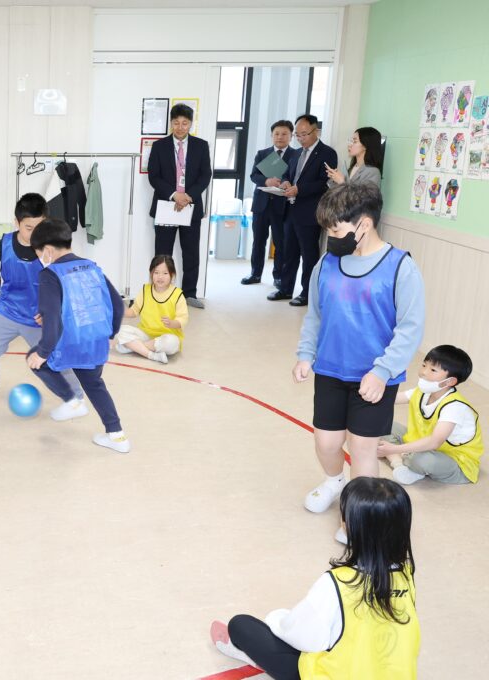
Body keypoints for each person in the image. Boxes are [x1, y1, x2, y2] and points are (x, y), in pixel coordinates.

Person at [292, 183, 424, 542]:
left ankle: (357, 519)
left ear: (363, 224)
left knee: (364, 450)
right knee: (327, 444)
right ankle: (335, 481)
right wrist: (306, 353)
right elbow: (315, 316)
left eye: (336, 230)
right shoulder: (327, 264)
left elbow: (410, 329)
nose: (331, 238)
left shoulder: (401, 267)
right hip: (332, 370)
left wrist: (382, 372)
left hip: (375, 378)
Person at [210, 477, 420, 680]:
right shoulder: (406, 574)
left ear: (350, 526)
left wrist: (278, 619)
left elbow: (304, 638)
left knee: (241, 625)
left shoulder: (338, 582)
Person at [0, 193, 82, 401]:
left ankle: (75, 396)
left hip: (37, 318)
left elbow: (62, 284)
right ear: (16, 223)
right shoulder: (5, 244)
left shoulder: (50, 249)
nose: (35, 233)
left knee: (56, 357)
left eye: (40, 227)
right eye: (28, 228)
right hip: (7, 312)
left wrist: (52, 311)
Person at [27, 218, 129, 453]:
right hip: (96, 340)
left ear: (49, 251)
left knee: (35, 361)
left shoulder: (49, 275)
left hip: (71, 342)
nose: (40, 259)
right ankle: (117, 436)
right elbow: (117, 306)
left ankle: (72, 401)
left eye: (39, 254)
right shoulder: (92, 267)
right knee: (94, 384)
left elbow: (53, 319)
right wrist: (110, 333)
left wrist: (43, 351)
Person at [378, 345, 482, 486]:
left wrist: (394, 449)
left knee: (421, 460)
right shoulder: (423, 391)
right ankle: (399, 465)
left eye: (433, 370)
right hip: (423, 445)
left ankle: (403, 458)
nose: (423, 373)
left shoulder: (454, 407)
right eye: (424, 365)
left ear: (450, 381)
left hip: (455, 461)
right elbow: (391, 400)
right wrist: (370, 392)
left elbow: (434, 442)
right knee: (380, 425)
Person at [268, 114, 338, 307]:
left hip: (310, 212)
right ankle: (285, 288)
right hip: (290, 209)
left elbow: (324, 183)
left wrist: (299, 189)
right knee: (288, 251)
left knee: (308, 255)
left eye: (304, 134)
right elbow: (287, 174)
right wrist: (286, 182)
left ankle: (307, 293)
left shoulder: (327, 153)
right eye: (297, 135)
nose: (300, 138)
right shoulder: (297, 154)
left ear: (316, 131)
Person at [147, 103, 212, 309]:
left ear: (191, 124)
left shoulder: (201, 145)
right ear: (171, 123)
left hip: (190, 207)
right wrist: (175, 195)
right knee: (163, 253)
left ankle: (189, 293)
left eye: (185, 123)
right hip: (167, 205)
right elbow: (154, 177)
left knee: (191, 251)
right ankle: (160, 292)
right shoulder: (159, 146)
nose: (180, 127)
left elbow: (205, 175)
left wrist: (188, 196)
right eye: (176, 123)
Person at [243, 120, 297, 287]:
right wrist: (266, 180)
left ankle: (278, 276)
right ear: (271, 135)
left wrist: (286, 182)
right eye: (276, 134)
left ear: (291, 136)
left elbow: (296, 177)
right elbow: (253, 175)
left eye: (284, 134)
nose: (280, 137)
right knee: (258, 241)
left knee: (281, 243)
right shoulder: (262, 153)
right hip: (261, 204)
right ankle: (255, 274)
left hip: (283, 206)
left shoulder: (296, 155)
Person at [114, 255, 187, 365]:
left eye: (165, 273)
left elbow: (183, 319)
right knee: (119, 330)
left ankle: (134, 347)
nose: (160, 277)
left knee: (171, 343)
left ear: (172, 275)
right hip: (145, 333)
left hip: (167, 335)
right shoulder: (145, 290)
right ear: (151, 273)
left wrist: (172, 323)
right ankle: (151, 355)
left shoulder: (177, 294)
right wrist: (118, 311)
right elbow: (133, 311)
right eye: (156, 272)